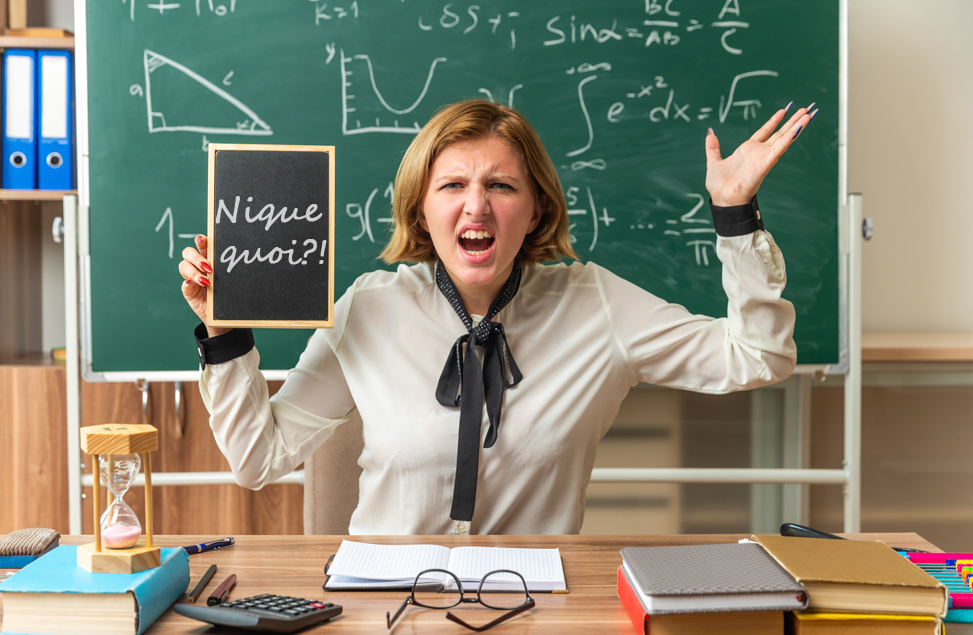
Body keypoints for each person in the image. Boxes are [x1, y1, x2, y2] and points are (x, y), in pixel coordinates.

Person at [178, 99, 811, 535]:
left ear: (536, 209)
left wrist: (735, 213)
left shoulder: (597, 305)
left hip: (535, 604)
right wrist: (224, 333)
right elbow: (258, 458)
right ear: (421, 211)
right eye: (452, 186)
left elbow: (759, 355)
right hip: (385, 603)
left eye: (502, 186)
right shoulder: (368, 307)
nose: (476, 207)